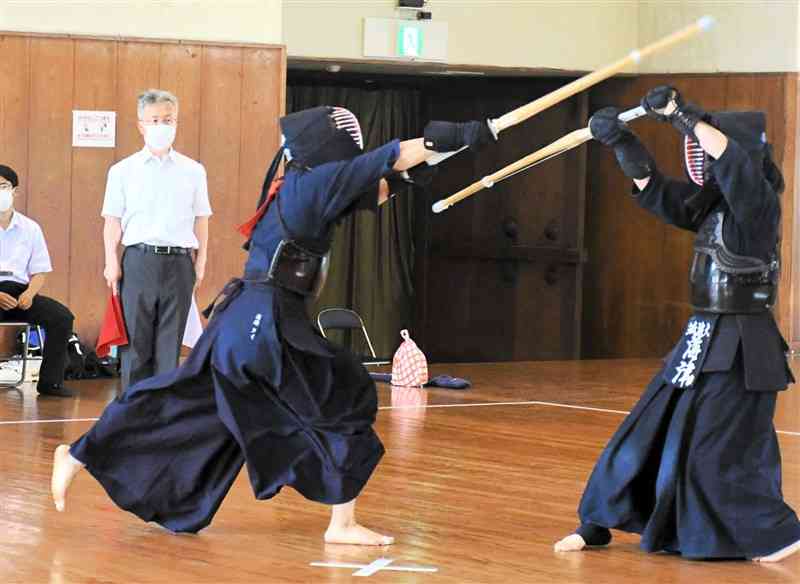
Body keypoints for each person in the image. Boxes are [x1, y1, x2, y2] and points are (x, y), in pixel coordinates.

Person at [51, 106, 494, 544]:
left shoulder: (305, 184)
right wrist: (454, 136)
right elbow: (389, 158)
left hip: (248, 316)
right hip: (264, 317)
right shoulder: (314, 182)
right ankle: (340, 524)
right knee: (341, 395)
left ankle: (79, 454)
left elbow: (377, 187)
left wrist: (433, 159)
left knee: (191, 403)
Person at [554, 87, 800, 562]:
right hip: (702, 338)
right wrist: (622, 143)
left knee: (714, 448)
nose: (704, 167)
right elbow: (658, 191)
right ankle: (600, 522)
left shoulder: (758, 206)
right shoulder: (712, 207)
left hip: (744, 346)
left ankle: (772, 534)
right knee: (647, 428)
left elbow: (731, 159)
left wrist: (681, 115)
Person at [101, 89, 211, 390]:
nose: (162, 125)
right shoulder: (122, 171)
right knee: (136, 348)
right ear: (141, 124)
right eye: (154, 120)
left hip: (179, 263)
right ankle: (132, 417)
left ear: (176, 122)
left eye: (168, 119)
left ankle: (163, 421)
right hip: (139, 260)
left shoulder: (193, 171)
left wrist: (200, 263)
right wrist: (111, 261)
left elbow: (201, 220)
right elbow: (112, 221)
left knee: (169, 350)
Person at [0, 165, 76, 397]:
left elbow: (40, 271)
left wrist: (29, 295)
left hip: (21, 292)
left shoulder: (30, 228)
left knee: (62, 317)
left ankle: (50, 382)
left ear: (15, 191)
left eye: (3, 187)